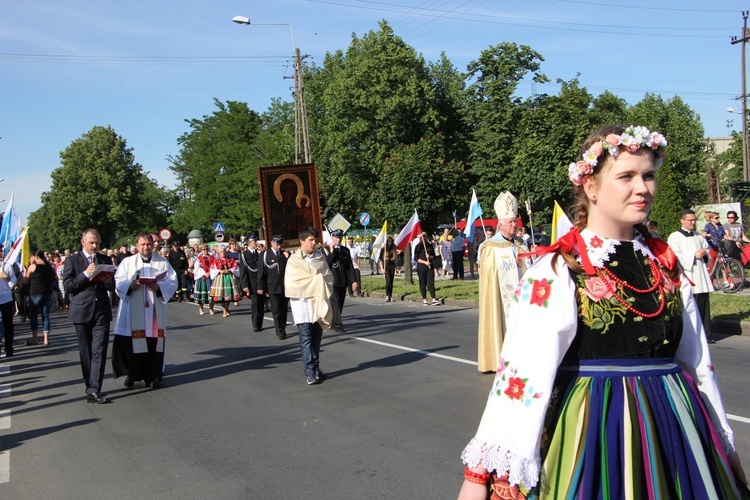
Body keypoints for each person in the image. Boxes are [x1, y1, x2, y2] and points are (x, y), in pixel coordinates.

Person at [459, 125, 748, 498]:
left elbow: (699, 364)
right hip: (594, 430)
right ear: (591, 187)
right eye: (626, 176)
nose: (642, 187)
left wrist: (724, 446)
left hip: (677, 429)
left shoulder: (665, 265)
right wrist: (479, 476)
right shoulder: (560, 270)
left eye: (648, 175)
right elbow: (522, 377)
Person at [112, 233, 178, 389]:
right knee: (131, 344)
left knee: (153, 344)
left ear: (153, 245)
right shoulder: (127, 263)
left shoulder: (162, 262)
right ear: (137, 245)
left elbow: (172, 281)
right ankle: (132, 375)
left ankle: (153, 376)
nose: (146, 247)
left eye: (148, 244)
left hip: (154, 313)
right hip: (133, 312)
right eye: (142, 244)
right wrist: (130, 285)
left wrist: (159, 287)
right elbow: (118, 281)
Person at [476, 192, 528, 373]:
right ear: (501, 224)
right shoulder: (490, 247)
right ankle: (498, 359)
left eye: (515, 221)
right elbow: (488, 275)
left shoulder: (521, 244)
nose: (515, 225)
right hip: (501, 295)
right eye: (511, 222)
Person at [62, 229, 114, 404]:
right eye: (91, 242)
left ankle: (94, 388)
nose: (95, 246)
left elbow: (112, 285)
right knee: (86, 351)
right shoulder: (72, 260)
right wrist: (85, 274)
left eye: (97, 243)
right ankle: (89, 383)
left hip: (101, 309)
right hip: (81, 309)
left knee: (99, 350)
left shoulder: (105, 259)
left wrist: (108, 282)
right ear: (82, 242)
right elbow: (68, 286)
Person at [284, 227, 333, 385]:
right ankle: (310, 372)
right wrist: (315, 282)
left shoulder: (320, 257)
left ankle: (317, 368)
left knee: (317, 338)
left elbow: (328, 277)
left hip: (318, 302)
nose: (314, 242)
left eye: (315, 239)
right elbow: (292, 283)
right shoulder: (293, 260)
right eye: (310, 240)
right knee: (306, 337)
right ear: (302, 241)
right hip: (302, 304)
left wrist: (319, 282)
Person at [667, 209, 716, 343]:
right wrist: (693, 256)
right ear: (682, 221)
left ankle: (706, 334)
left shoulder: (698, 236)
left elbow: (707, 249)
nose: (693, 222)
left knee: (703, 305)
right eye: (690, 220)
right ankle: (691, 335)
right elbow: (674, 257)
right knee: (689, 306)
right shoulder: (675, 237)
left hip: (701, 276)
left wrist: (704, 253)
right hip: (687, 275)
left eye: (694, 220)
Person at [322, 229, 357, 332]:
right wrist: (331, 252)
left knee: (340, 302)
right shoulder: (326, 250)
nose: (338, 239)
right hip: (332, 281)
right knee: (335, 301)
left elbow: (350, 266)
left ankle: (333, 321)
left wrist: (354, 280)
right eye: (336, 237)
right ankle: (338, 324)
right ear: (332, 238)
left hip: (342, 280)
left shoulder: (345, 250)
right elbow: (325, 265)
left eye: (340, 237)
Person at [258, 236, 289, 340]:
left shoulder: (284, 254)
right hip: (272, 286)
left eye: (280, 245)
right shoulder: (265, 255)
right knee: (276, 310)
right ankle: (279, 330)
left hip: (284, 286)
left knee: (284, 310)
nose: (278, 247)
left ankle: (283, 328)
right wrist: (260, 287)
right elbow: (261, 272)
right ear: (272, 243)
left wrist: (288, 257)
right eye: (277, 244)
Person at [23, 250, 57, 346]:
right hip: (47, 293)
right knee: (45, 316)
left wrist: (25, 272)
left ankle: (35, 338)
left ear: (36, 257)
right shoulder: (49, 267)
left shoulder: (33, 267)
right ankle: (46, 339)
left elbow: (25, 281)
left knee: (33, 316)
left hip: (35, 294)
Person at [239, 234, 264, 331]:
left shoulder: (259, 254)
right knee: (255, 303)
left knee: (261, 303)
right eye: (255, 241)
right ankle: (255, 323)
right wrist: (244, 285)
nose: (256, 243)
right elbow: (243, 271)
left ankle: (259, 323)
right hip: (252, 283)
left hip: (260, 283)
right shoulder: (244, 255)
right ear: (250, 243)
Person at [210, 247, 241, 318]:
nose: (223, 253)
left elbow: (235, 267)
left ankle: (226, 309)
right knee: (222, 295)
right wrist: (220, 271)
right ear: (218, 253)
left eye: (223, 251)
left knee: (228, 294)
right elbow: (213, 269)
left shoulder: (230, 260)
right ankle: (224, 310)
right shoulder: (216, 261)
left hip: (229, 278)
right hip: (220, 278)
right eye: (221, 252)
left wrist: (230, 270)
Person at [0, 245, 18, 358]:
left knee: (8, 325)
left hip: (6, 299)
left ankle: (9, 349)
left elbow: (14, 281)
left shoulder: (6, 266)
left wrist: (6, 278)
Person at [413, 232, 440, 306]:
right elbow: (416, 258)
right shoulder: (418, 247)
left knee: (431, 282)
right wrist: (425, 262)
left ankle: (433, 299)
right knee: (423, 283)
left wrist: (430, 257)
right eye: (422, 237)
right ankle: (424, 299)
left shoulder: (430, 245)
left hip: (430, 267)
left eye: (425, 236)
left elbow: (434, 256)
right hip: (421, 267)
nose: (423, 238)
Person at [192, 244, 215, 315]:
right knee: (202, 294)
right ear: (201, 250)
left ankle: (211, 308)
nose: (205, 251)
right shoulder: (199, 258)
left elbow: (214, 265)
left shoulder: (211, 257)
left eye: (206, 249)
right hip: (202, 277)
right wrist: (204, 273)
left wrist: (210, 272)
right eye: (203, 249)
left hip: (210, 276)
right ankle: (201, 308)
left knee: (211, 294)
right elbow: (196, 268)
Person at [379, 236, 398, 302]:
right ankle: (387, 295)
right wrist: (382, 268)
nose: (390, 243)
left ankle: (390, 295)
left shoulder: (394, 248)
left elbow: (395, 258)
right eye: (389, 241)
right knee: (388, 281)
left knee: (391, 282)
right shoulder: (383, 249)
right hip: (386, 266)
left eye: (391, 241)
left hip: (392, 266)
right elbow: (380, 260)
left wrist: (389, 259)